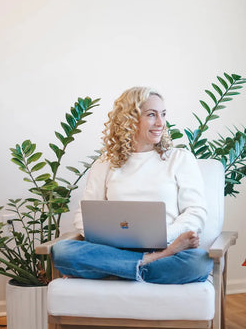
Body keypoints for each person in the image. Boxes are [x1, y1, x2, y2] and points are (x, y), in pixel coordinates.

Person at [52, 87, 213, 284]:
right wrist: (109, 239)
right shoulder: (105, 163)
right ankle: (146, 263)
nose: (161, 123)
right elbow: (83, 215)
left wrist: (164, 237)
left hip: (169, 247)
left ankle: (115, 269)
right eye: (152, 115)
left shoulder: (180, 158)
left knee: (199, 262)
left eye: (163, 114)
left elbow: (196, 212)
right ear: (130, 118)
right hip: (113, 248)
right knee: (62, 250)